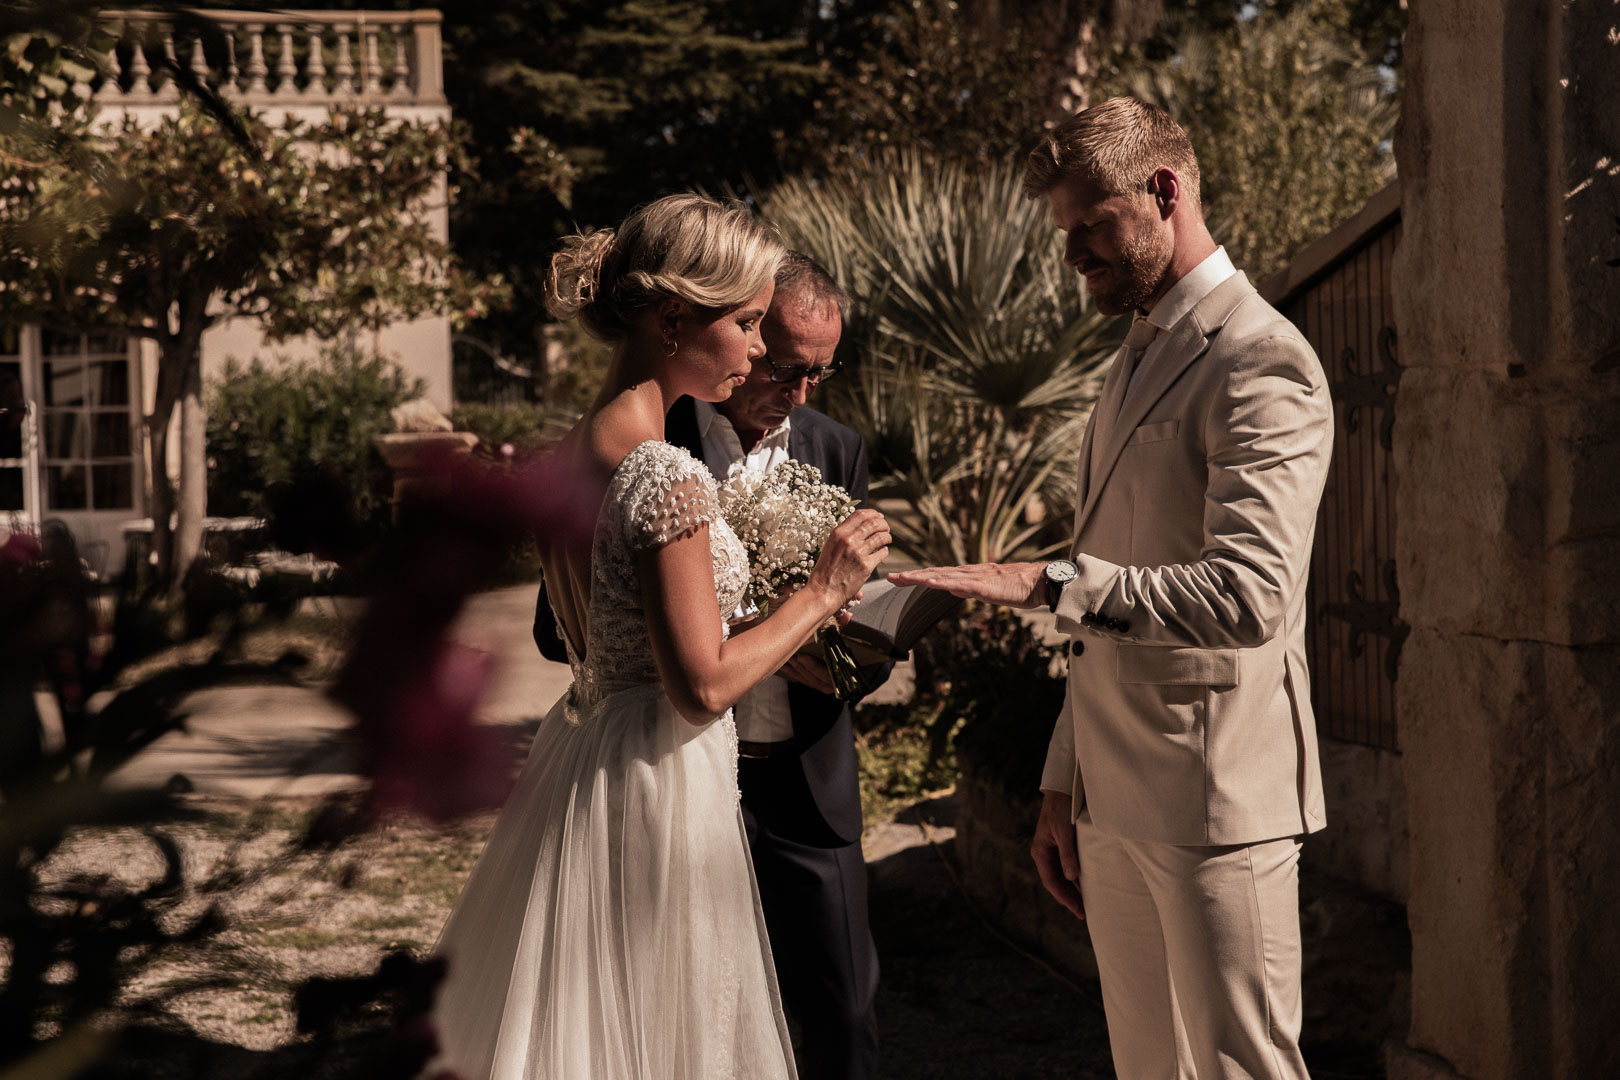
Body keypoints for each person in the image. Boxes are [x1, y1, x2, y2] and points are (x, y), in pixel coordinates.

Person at [890, 97, 1334, 1079]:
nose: (1071, 253)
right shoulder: (1134, 352)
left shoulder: (1263, 359)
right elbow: (1106, 613)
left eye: (1091, 225)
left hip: (1217, 801)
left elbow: (1250, 595)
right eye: (1065, 231)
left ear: (1165, 191)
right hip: (1110, 798)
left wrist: (1046, 579)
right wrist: (1063, 780)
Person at [430, 193, 891, 1079]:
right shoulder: (663, 474)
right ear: (675, 319)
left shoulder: (576, 449)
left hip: (587, 757)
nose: (755, 351)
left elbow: (622, 635)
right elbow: (702, 685)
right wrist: (823, 591)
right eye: (747, 324)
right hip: (658, 780)